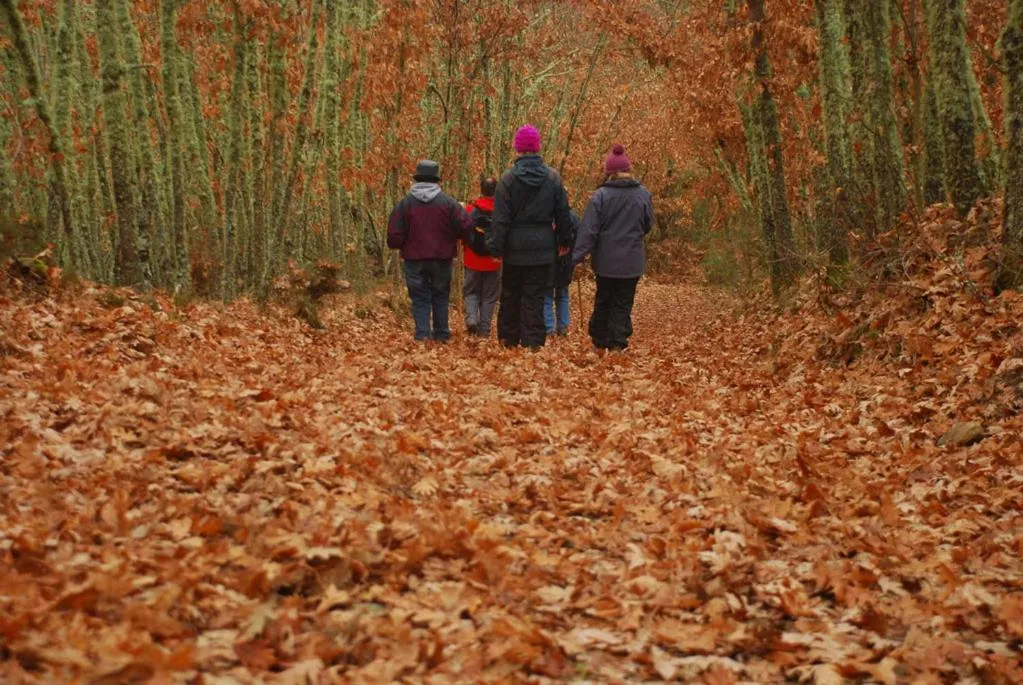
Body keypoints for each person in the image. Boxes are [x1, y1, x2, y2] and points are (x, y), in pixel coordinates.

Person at [486, 125, 573, 349]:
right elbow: (563, 213)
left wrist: (496, 248)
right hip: (542, 247)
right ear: (537, 148)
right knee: (535, 296)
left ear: (518, 149)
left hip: (514, 247)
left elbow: (500, 218)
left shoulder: (507, 180)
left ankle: (508, 340)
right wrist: (565, 241)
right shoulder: (553, 179)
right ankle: (533, 343)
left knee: (511, 294)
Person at [572, 145, 653, 351]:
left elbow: (589, 229)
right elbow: (647, 225)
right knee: (623, 302)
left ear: (610, 173)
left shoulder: (600, 196)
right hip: (632, 261)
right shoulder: (643, 195)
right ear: (628, 170)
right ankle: (617, 341)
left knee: (604, 298)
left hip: (606, 261)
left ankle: (600, 338)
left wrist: (578, 256)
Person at [387, 160, 473, 342]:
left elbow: (394, 235)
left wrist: (403, 244)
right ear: (436, 180)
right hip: (442, 258)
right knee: (440, 295)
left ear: (417, 179)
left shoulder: (405, 205)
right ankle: (441, 334)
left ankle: (422, 334)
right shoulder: (448, 203)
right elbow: (466, 225)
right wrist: (457, 236)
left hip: (414, 258)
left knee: (419, 297)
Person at [462, 175, 502, 337]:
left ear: (481, 190)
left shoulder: (471, 210)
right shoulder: (502, 212)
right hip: (494, 261)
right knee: (489, 297)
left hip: (472, 259)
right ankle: (484, 331)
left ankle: (472, 318)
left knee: (471, 292)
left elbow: (463, 232)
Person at [544, 211, 580, 336]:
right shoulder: (572, 217)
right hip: (566, 261)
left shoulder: (545, 215)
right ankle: (563, 327)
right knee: (562, 294)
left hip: (548, 261)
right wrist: (576, 256)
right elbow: (579, 237)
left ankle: (549, 329)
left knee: (547, 295)